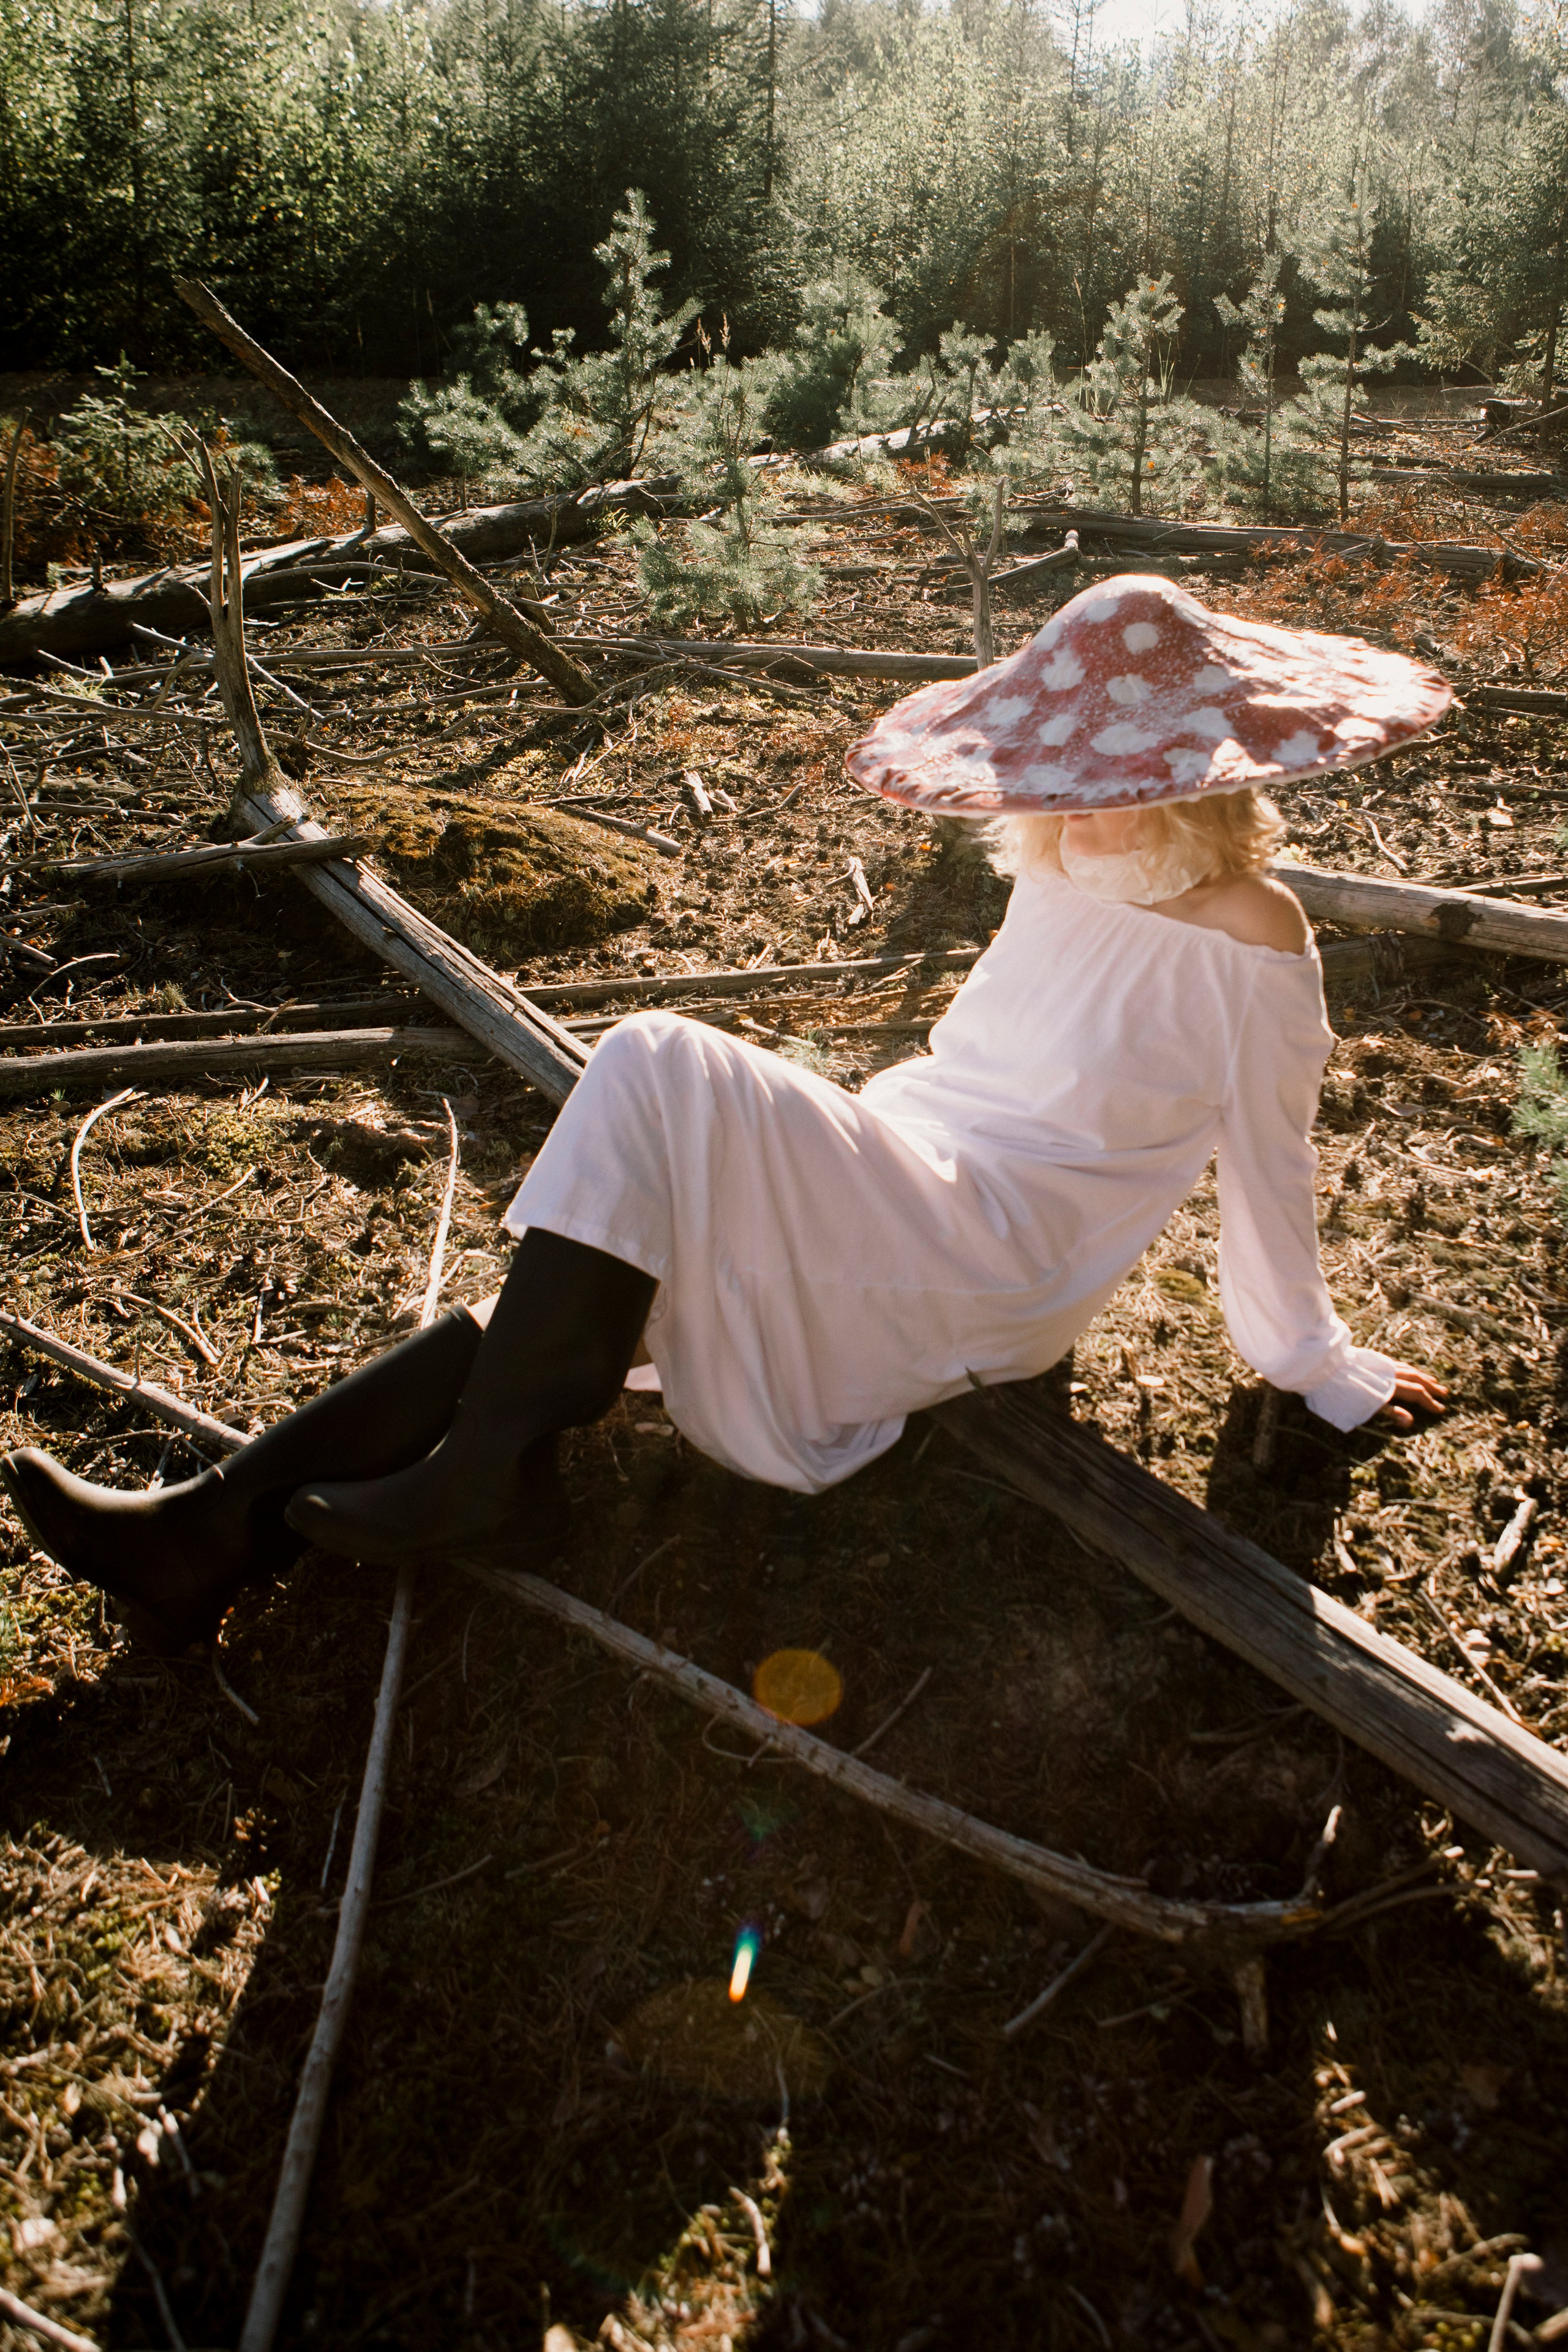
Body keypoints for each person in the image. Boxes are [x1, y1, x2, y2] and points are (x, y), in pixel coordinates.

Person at [1, 576, 1450, 1656]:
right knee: (614, 1225)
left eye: (1112, 787)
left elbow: (1268, 1165)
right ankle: (215, 1528)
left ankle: (486, 1473)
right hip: (908, 1169)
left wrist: (1306, 1360)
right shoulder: (1062, 864)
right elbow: (978, 1057)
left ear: (1201, 778)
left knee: (655, 1062)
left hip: (995, 1253)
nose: (1073, 812)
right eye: (1058, 782)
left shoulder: (1255, 940)